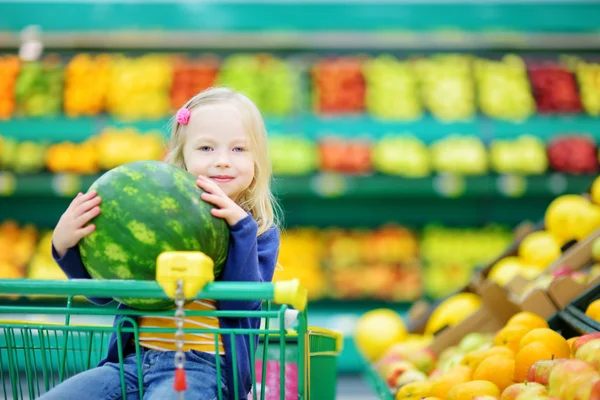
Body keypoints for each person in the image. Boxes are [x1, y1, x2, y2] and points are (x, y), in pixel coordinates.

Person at [41, 87, 281, 400]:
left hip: (202, 368)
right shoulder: (162, 219)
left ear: (257, 161)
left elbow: (242, 303)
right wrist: (64, 247)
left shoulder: (259, 231)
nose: (222, 161)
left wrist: (241, 230)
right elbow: (102, 294)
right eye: (206, 148)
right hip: (132, 362)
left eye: (238, 150)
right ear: (182, 157)